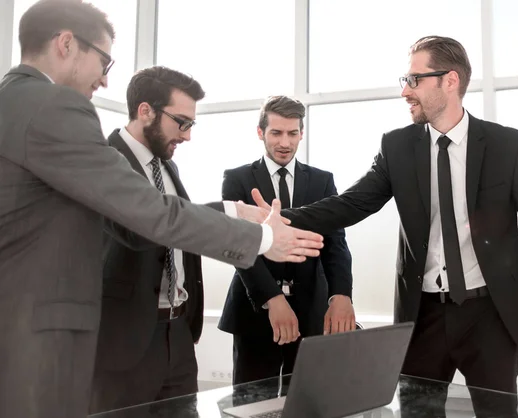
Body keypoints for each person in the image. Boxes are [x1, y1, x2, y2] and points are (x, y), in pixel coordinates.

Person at [0, 1, 323, 417]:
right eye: (103, 60)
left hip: (132, 334)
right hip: (49, 338)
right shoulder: (54, 107)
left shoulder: (13, 100)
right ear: (66, 43)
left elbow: (143, 212)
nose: (103, 79)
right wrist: (262, 238)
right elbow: (148, 216)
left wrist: (230, 211)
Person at [252, 36, 518, 417]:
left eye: (414, 80)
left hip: (491, 315)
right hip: (423, 315)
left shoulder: (506, 146)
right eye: (404, 80)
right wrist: (282, 219)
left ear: (450, 81)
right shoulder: (397, 147)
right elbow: (352, 204)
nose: (404, 91)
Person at [90, 66, 211, 413]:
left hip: (178, 335)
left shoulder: (168, 166)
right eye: (181, 122)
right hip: (121, 342)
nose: (187, 136)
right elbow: (139, 231)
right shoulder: (101, 159)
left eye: (191, 125)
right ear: (146, 111)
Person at [218, 96, 355, 385]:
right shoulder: (237, 178)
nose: (285, 142)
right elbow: (238, 246)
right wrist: (273, 299)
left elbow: (336, 244)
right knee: (251, 406)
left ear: (302, 133)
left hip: (310, 311)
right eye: (276, 133)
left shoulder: (322, 181)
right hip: (255, 311)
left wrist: (341, 295)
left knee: (308, 403)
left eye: (293, 133)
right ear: (260, 132)